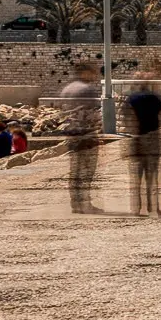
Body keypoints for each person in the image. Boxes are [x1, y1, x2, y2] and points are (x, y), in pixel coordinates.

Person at [58, 61, 102, 213]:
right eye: (92, 72)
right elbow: (95, 115)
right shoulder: (87, 90)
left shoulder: (67, 90)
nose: (94, 75)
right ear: (84, 73)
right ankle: (85, 204)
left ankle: (75, 204)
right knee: (87, 171)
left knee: (74, 170)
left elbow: (61, 114)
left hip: (71, 135)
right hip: (86, 135)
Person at [125, 79, 161, 216]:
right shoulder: (155, 98)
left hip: (137, 140)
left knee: (136, 178)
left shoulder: (132, 99)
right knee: (152, 177)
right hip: (153, 141)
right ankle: (154, 207)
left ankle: (136, 208)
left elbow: (128, 120)